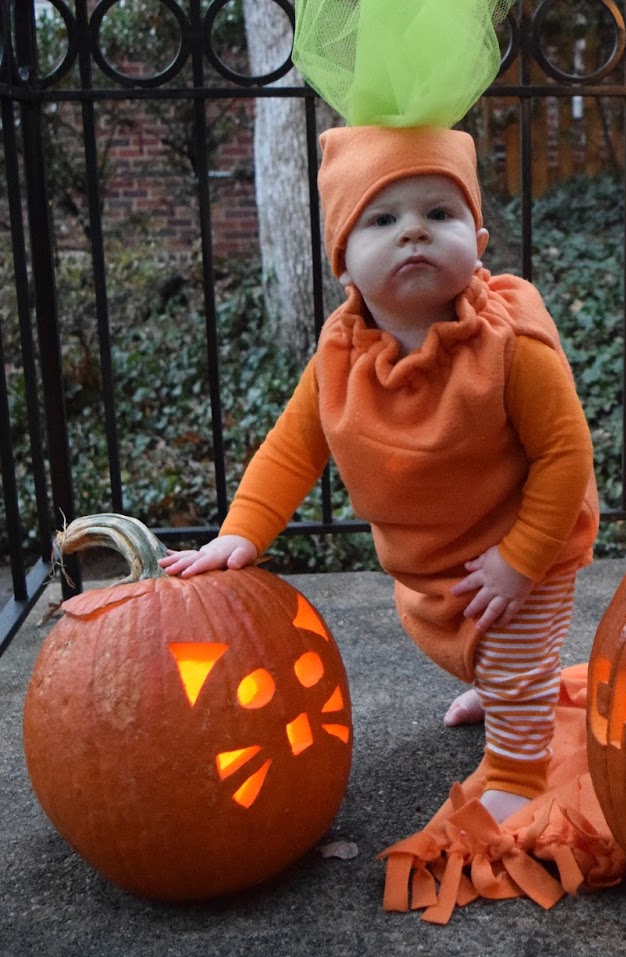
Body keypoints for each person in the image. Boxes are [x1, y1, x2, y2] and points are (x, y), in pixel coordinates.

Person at [162, 122, 599, 826]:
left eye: (439, 213)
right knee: (477, 648)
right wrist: (242, 532)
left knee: (514, 649)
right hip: (433, 555)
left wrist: (521, 560)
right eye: (384, 219)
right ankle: (503, 692)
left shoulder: (510, 346)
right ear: (344, 263)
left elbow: (565, 455)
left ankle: (519, 770)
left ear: (479, 243)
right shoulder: (339, 358)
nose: (413, 232)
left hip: (527, 539)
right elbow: (292, 449)